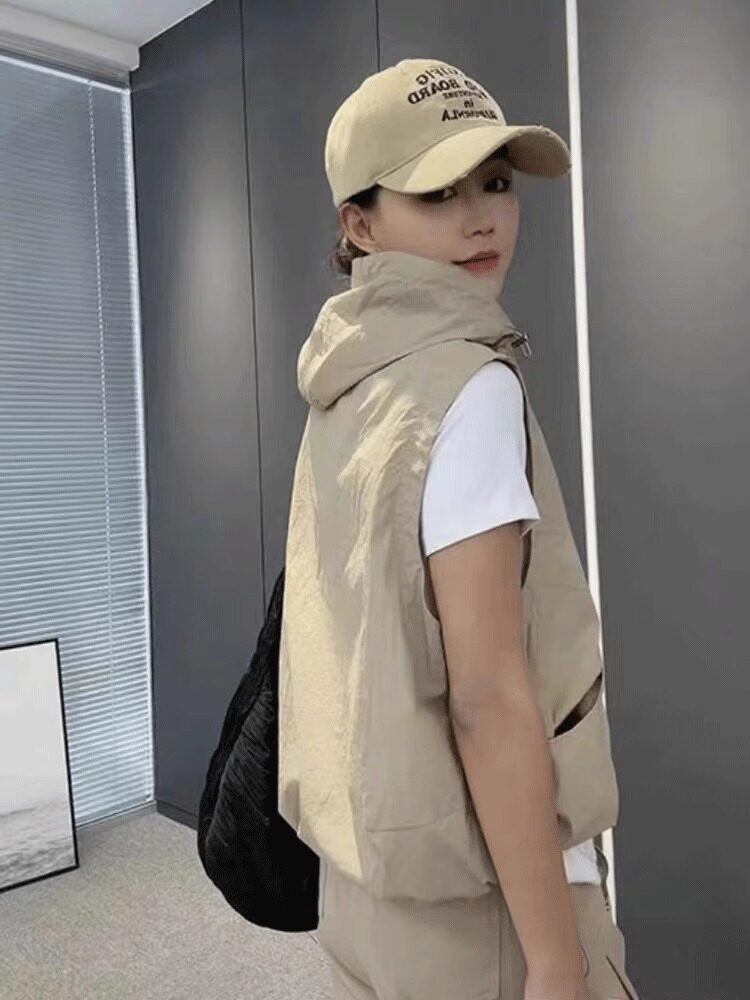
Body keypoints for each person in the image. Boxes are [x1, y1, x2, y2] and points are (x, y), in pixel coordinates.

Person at [279, 58, 640, 1000]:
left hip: (368, 880)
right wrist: (555, 956)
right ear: (360, 224)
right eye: (437, 193)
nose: (482, 219)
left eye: (496, 183)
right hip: (488, 899)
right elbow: (485, 697)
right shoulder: (467, 386)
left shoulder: (345, 380)